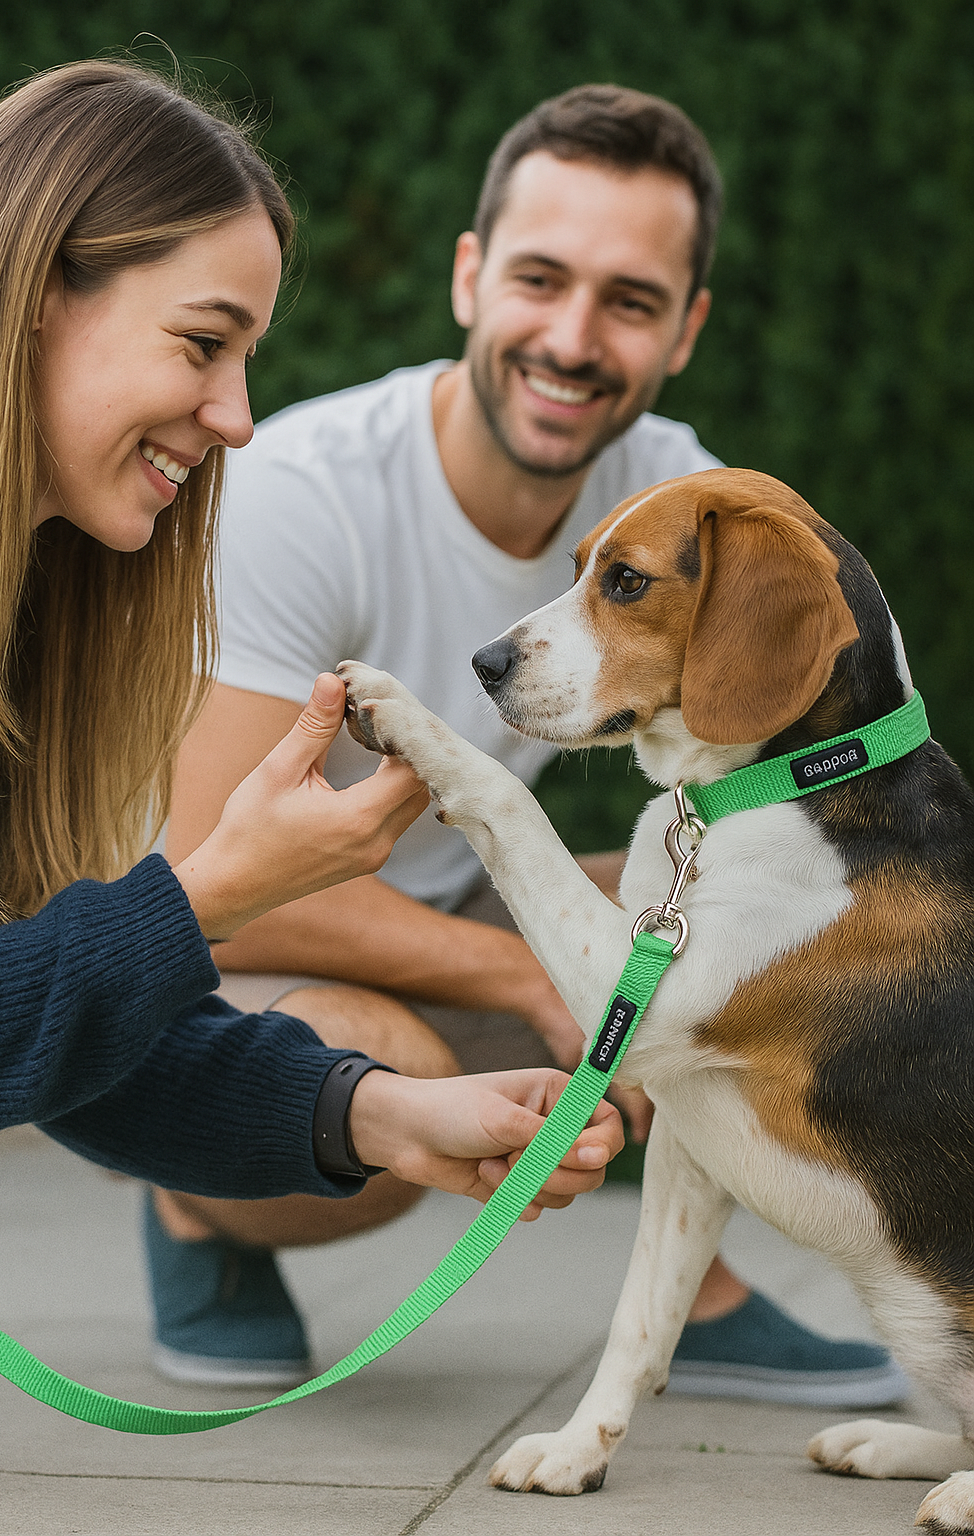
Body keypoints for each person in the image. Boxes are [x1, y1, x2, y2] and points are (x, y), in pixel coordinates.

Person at [155, 82, 907, 1407]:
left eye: (629, 300)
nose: (573, 337)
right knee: (384, 1055)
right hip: (215, 960)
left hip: (450, 903)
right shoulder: (300, 493)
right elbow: (202, 883)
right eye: (542, 278)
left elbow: (758, 791)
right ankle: (193, 1210)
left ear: (686, 331)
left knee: (749, 896)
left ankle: (697, 1291)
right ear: (468, 275)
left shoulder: (680, 498)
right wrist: (528, 974)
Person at [0, 59, 625, 1294]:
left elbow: (33, 1026)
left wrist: (377, 1117)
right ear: (38, 292)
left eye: (246, 356)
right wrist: (203, 900)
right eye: (204, 342)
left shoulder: (29, 610)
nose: (238, 417)